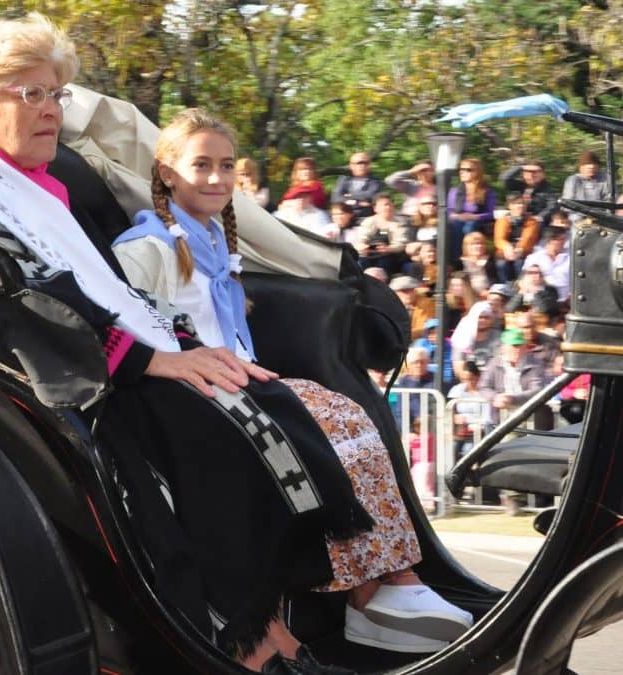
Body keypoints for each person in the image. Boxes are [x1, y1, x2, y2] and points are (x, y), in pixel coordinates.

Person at [0, 17, 388, 671]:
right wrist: (151, 356)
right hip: (62, 391)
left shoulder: (29, 182)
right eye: (32, 95)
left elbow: (106, 290)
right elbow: (12, 302)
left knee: (260, 398)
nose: (51, 111)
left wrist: (184, 344)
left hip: (102, 364)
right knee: (212, 421)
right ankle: (237, 641)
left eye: (56, 95)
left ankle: (271, 631)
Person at [112, 107, 471, 656]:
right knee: (332, 419)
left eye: (226, 165)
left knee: (352, 417)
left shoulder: (214, 244)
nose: (215, 178)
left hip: (240, 380)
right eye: (200, 165)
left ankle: (383, 586)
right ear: (166, 173)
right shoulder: (146, 249)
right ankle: (373, 591)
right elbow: (141, 328)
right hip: (192, 392)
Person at [446, 158, 496, 263]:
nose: (462, 172)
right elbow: (449, 211)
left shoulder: (487, 191)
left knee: (470, 226)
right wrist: (457, 216)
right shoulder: (454, 191)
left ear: (477, 171)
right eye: (460, 169)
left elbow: (490, 214)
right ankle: (456, 260)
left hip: (477, 222)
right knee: (456, 225)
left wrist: (474, 216)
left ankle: (469, 259)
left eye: (467, 169)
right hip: (458, 220)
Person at [354, 193, 409, 274]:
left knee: (384, 262)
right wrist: (363, 246)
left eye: (390, 204)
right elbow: (361, 238)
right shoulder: (369, 221)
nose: (388, 207)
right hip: (370, 254)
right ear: (375, 208)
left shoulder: (400, 223)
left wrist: (389, 249)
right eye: (384, 205)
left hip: (392, 256)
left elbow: (401, 243)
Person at [493, 193, 539, 282]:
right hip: (506, 251)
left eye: (522, 203)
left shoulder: (532, 221)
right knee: (501, 264)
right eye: (516, 203)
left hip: (523, 251)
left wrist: (520, 249)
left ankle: (520, 287)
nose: (520, 206)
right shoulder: (503, 220)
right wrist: (507, 248)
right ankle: (505, 286)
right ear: (510, 206)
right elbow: (499, 238)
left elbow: (529, 238)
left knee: (520, 263)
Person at [499, 159, 556, 228]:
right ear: (523, 173)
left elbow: (552, 206)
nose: (532, 174)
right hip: (514, 216)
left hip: (534, 220)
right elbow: (504, 178)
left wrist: (540, 216)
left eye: (536, 172)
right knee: (502, 223)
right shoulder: (517, 184)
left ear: (543, 174)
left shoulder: (547, 188)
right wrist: (521, 167)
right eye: (528, 171)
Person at [451, 301, 500, 380]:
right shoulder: (461, 338)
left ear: (491, 319)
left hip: (493, 384)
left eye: (486, 317)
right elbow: (458, 371)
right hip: (469, 383)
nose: (483, 320)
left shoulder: (499, 338)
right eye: (480, 317)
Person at [522, 226, 570, 304]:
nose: (564, 242)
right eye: (561, 239)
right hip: (541, 301)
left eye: (565, 239)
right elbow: (523, 279)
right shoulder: (534, 258)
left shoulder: (571, 257)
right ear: (550, 241)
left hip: (566, 301)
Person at [561, 150, 612, 223]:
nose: (591, 166)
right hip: (578, 219)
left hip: (600, 218)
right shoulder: (573, 180)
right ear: (581, 167)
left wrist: (597, 214)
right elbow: (567, 204)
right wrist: (582, 216)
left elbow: (610, 200)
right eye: (588, 164)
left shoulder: (605, 179)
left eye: (594, 164)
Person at [331, 152, 382, 222]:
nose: (363, 165)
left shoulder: (375, 180)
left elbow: (370, 196)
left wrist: (349, 196)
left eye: (366, 163)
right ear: (351, 165)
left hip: (365, 219)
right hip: (344, 219)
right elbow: (335, 198)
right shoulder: (344, 179)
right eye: (359, 163)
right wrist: (358, 203)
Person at [389, 274, 435, 341]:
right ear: (395, 293)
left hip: (419, 342)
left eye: (411, 290)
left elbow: (423, 329)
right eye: (404, 291)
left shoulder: (426, 304)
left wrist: (400, 335)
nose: (408, 294)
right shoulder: (392, 305)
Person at [459, 231, 497, 298]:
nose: (478, 246)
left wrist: (490, 291)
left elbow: (495, 280)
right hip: (467, 295)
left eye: (481, 244)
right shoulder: (459, 263)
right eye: (473, 244)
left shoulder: (491, 261)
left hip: (488, 294)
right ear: (466, 246)